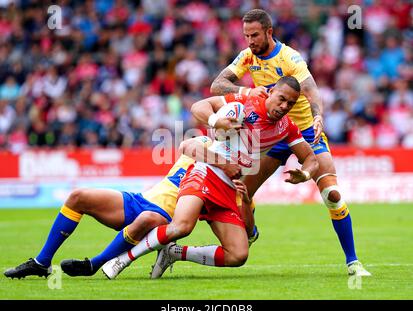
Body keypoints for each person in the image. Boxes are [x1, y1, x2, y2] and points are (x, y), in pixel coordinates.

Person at [101, 75, 319, 280]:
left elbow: (311, 159)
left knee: (238, 255)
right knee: (181, 227)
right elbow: (199, 107)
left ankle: (174, 253)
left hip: (230, 190)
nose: (284, 107)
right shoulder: (247, 101)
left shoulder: (287, 128)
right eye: (281, 99)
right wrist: (216, 121)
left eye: (289, 104)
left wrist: (306, 173)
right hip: (205, 173)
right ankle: (123, 260)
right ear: (271, 92)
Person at [210, 9, 370, 276]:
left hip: (305, 132)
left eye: (255, 35)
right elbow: (218, 84)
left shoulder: (290, 57)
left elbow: (311, 90)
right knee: (242, 194)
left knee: (333, 195)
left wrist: (318, 116)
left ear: (269, 32)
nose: (250, 40)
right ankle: (251, 233)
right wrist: (246, 91)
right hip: (273, 134)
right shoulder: (247, 56)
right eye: (246, 35)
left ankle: (353, 262)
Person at [3, 136, 229, 279]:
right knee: (77, 197)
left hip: (166, 217)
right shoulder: (203, 144)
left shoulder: (232, 168)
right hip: (141, 199)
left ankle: (94, 264)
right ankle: (41, 262)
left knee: (147, 219)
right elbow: (187, 145)